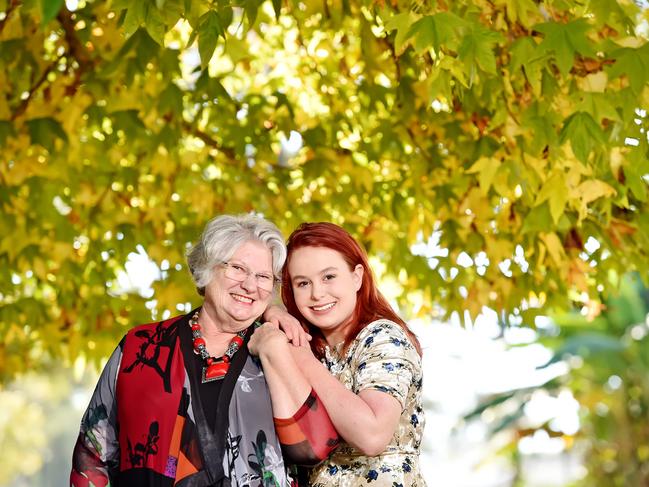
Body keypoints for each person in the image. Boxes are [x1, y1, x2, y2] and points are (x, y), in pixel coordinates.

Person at [70, 214, 339, 487]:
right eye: (237, 268)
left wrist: (274, 351)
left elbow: (314, 449)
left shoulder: (286, 346)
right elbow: (92, 455)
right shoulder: (141, 347)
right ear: (206, 267)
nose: (250, 285)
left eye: (263, 276)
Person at [250, 222, 426, 486]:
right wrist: (273, 312)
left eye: (329, 277)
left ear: (357, 276)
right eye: (303, 283)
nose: (317, 294)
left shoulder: (382, 337)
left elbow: (372, 436)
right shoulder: (315, 345)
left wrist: (302, 359)